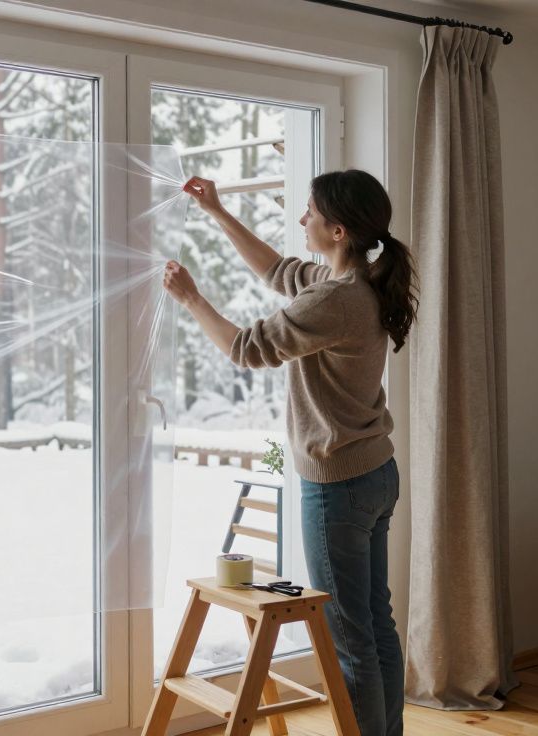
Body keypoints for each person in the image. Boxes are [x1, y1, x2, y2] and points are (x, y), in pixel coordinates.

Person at [164, 170, 418, 736]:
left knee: (351, 640)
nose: (302, 220)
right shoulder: (363, 281)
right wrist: (219, 214)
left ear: (338, 228)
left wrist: (192, 299)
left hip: (339, 487)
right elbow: (279, 271)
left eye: (309, 213)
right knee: (376, 625)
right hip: (375, 472)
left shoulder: (335, 298)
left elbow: (247, 349)